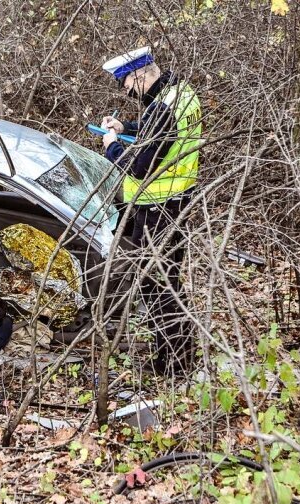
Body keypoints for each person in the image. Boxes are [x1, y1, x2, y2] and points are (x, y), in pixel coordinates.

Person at [100, 46, 202, 372]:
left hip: (159, 209)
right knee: (166, 280)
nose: (127, 91)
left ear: (141, 74)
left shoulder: (162, 109)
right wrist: (125, 127)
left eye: (127, 83)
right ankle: (180, 354)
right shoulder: (181, 94)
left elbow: (142, 166)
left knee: (157, 285)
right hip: (177, 202)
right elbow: (160, 137)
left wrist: (112, 146)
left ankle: (173, 364)